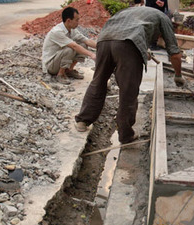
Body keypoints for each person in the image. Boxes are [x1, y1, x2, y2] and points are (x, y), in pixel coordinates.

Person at [74, 6, 185, 144]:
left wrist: (143, 49)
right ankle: (126, 135)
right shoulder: (164, 18)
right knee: (128, 90)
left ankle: (83, 121)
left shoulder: (131, 11)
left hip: (104, 40)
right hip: (127, 44)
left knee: (98, 81)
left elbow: (123, 31)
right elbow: (174, 53)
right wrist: (178, 75)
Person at [42, 7, 97, 85]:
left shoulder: (71, 29)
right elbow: (74, 46)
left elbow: (87, 41)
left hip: (59, 60)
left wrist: (102, 46)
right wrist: (92, 55)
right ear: (69, 20)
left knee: (83, 44)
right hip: (51, 65)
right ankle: (60, 74)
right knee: (70, 49)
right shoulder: (57, 32)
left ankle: (69, 70)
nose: (78, 22)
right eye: (76, 20)